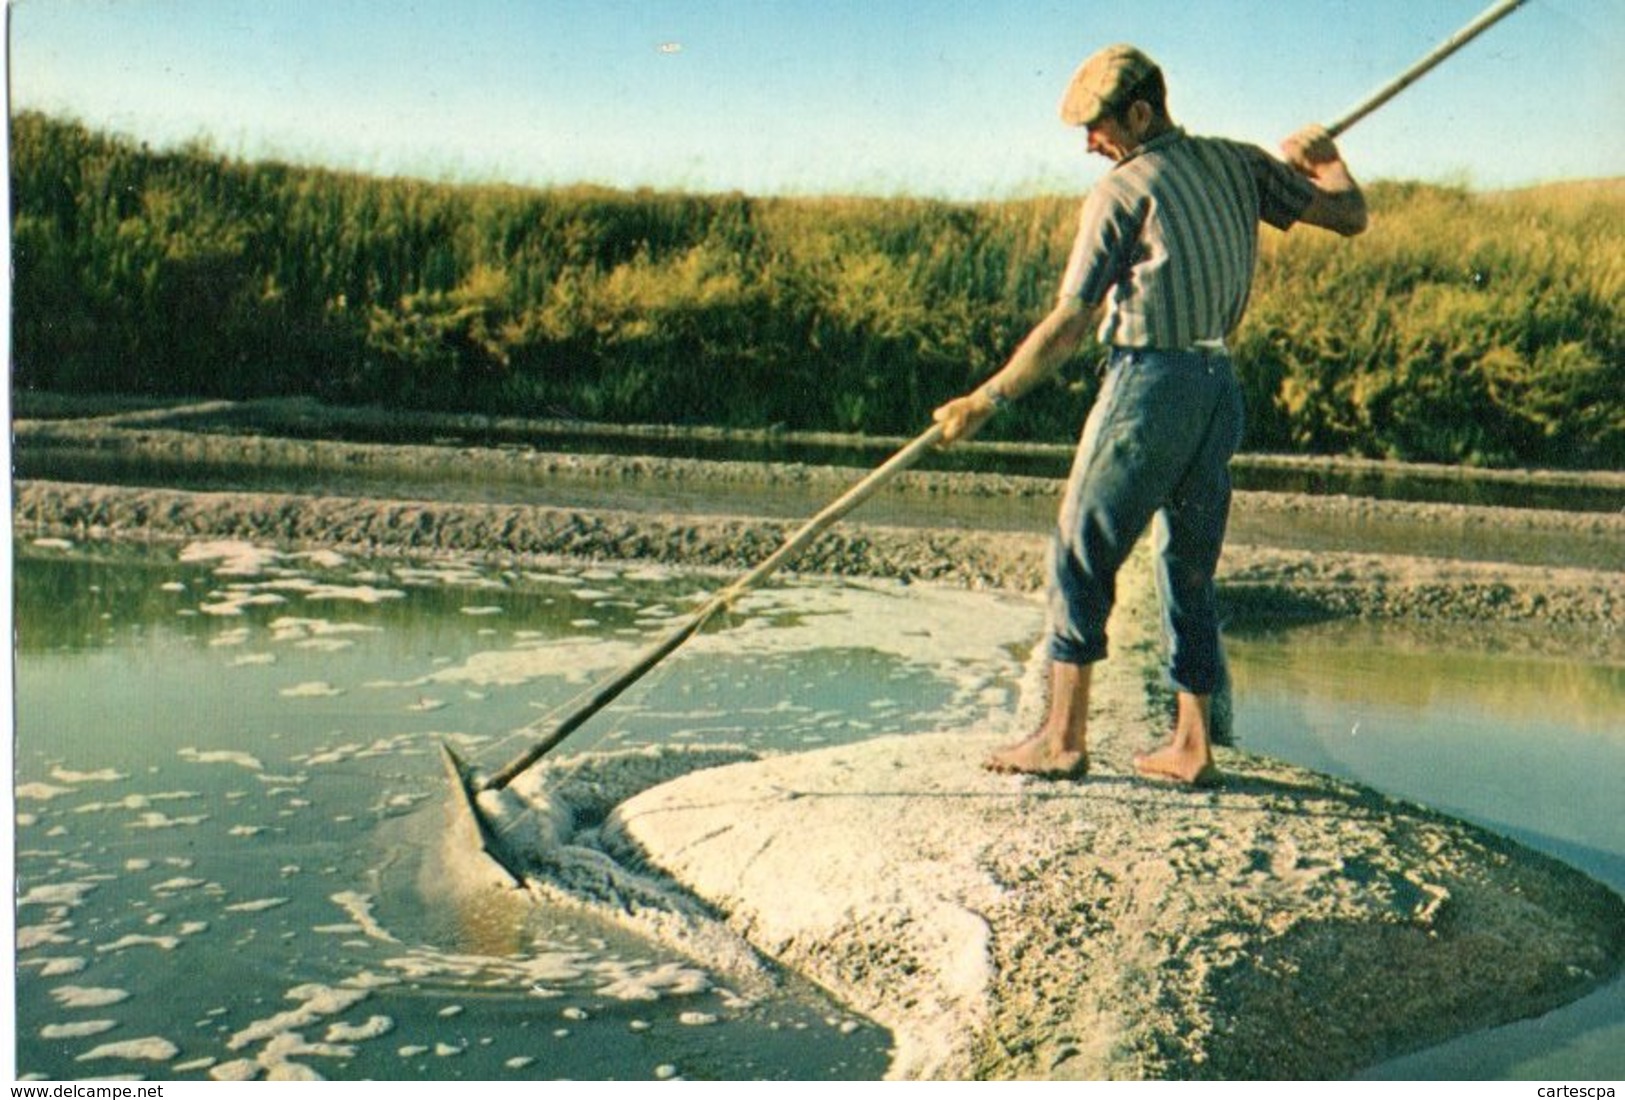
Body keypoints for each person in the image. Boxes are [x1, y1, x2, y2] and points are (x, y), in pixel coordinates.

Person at [932, 44, 1367, 786]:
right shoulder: (1239, 163)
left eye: (1097, 127)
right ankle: (1191, 747)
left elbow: (1070, 323)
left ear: (1139, 112)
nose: (1087, 144)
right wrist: (1327, 163)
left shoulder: (1120, 190)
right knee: (1187, 570)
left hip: (1148, 385)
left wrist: (986, 398)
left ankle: (1061, 739)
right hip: (1215, 385)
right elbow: (1349, 215)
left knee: (1079, 548)